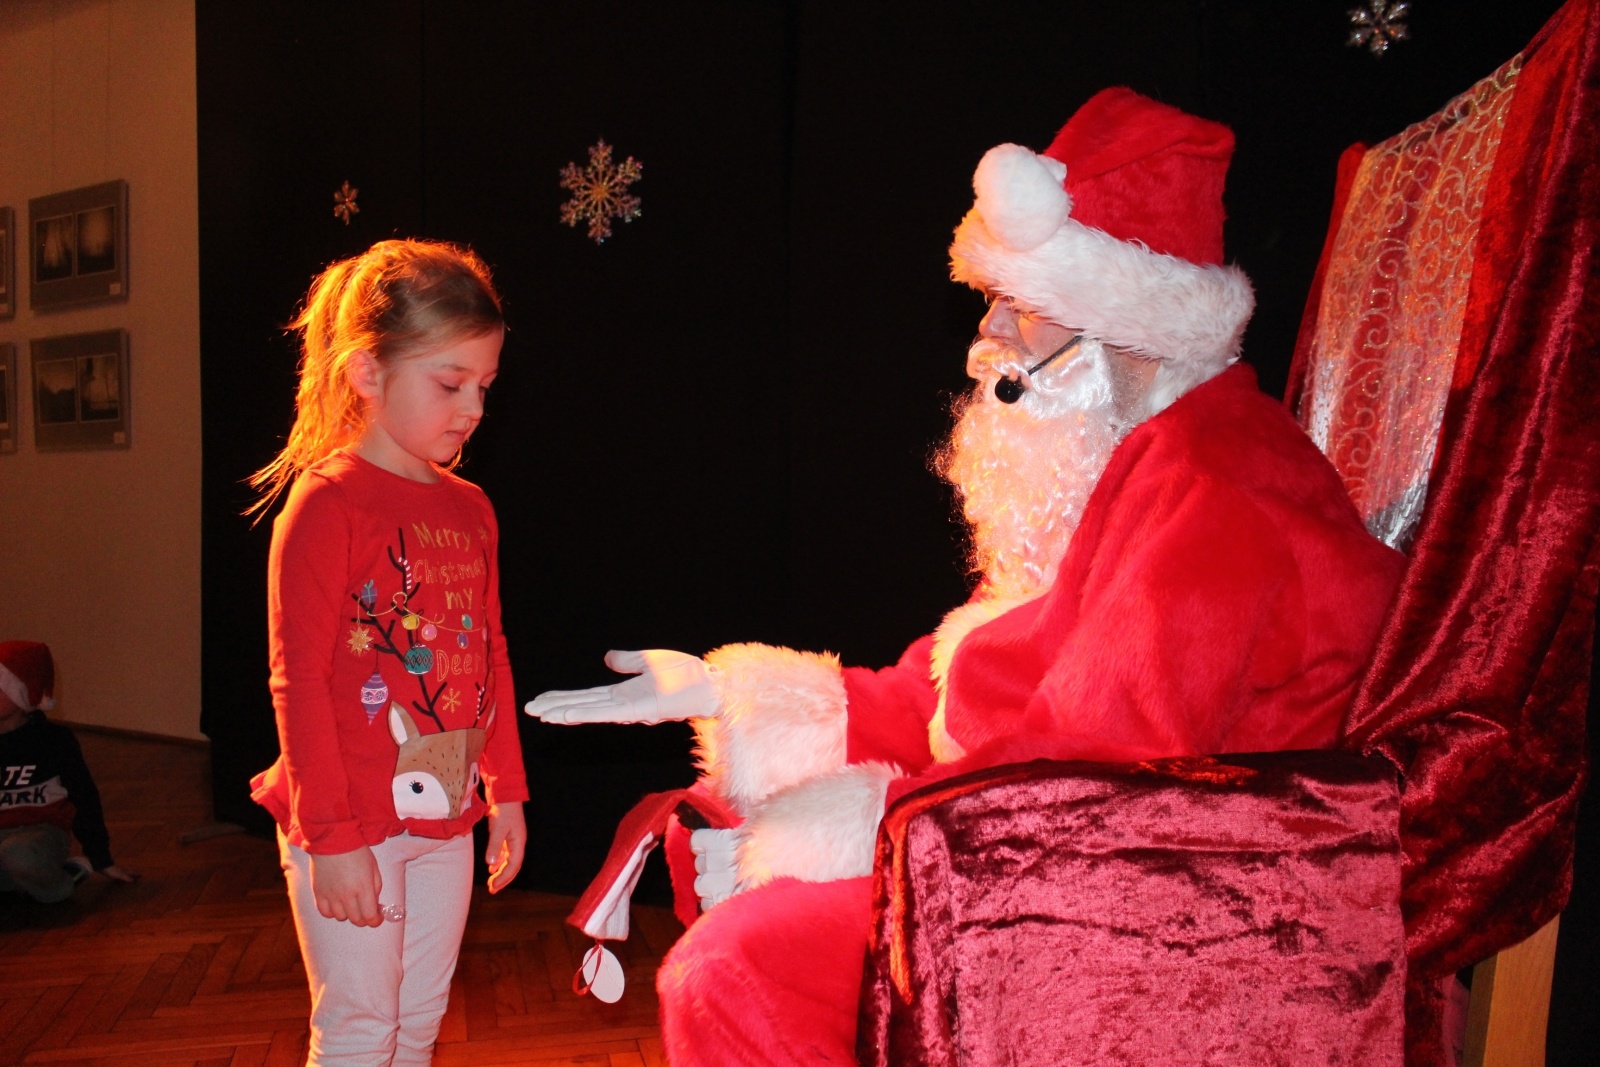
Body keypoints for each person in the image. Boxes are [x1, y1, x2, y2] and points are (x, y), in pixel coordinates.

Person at [528, 89, 1408, 1064]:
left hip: (1189, 923)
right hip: (1076, 867)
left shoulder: (1213, 490)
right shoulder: (1123, 458)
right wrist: (725, 690)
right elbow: (966, 689)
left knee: (736, 964)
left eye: (1018, 307)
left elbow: (1078, 781)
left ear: (1116, 323)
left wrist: (858, 836)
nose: (985, 336)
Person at [248, 239, 529, 1067]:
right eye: (450, 383)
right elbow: (295, 680)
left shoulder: (473, 508)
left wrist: (505, 789)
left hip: (443, 807)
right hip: (349, 820)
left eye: (483, 385)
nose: (472, 407)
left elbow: (491, 656)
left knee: (419, 1022)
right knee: (362, 1028)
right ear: (367, 373)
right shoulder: (327, 503)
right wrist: (330, 839)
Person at [0, 640, 138, 902]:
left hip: (36, 835)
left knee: (18, 854)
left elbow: (84, 797)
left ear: (23, 693)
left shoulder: (53, 740)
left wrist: (101, 859)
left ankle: (65, 879)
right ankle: (16, 882)